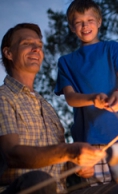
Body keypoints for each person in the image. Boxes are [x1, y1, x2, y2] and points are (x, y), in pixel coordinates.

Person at [0, 23, 110, 193]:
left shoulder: (47, 108)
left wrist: (78, 164)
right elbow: (12, 155)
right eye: (27, 43)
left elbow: (62, 163)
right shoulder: (3, 97)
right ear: (8, 53)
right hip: (20, 188)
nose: (36, 49)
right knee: (39, 180)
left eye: (39, 45)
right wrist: (68, 151)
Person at [54, 0, 118, 187]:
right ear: (72, 27)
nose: (85, 25)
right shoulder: (66, 62)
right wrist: (93, 99)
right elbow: (71, 98)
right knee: (99, 191)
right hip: (90, 142)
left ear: (100, 21)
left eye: (90, 20)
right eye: (79, 22)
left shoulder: (111, 48)